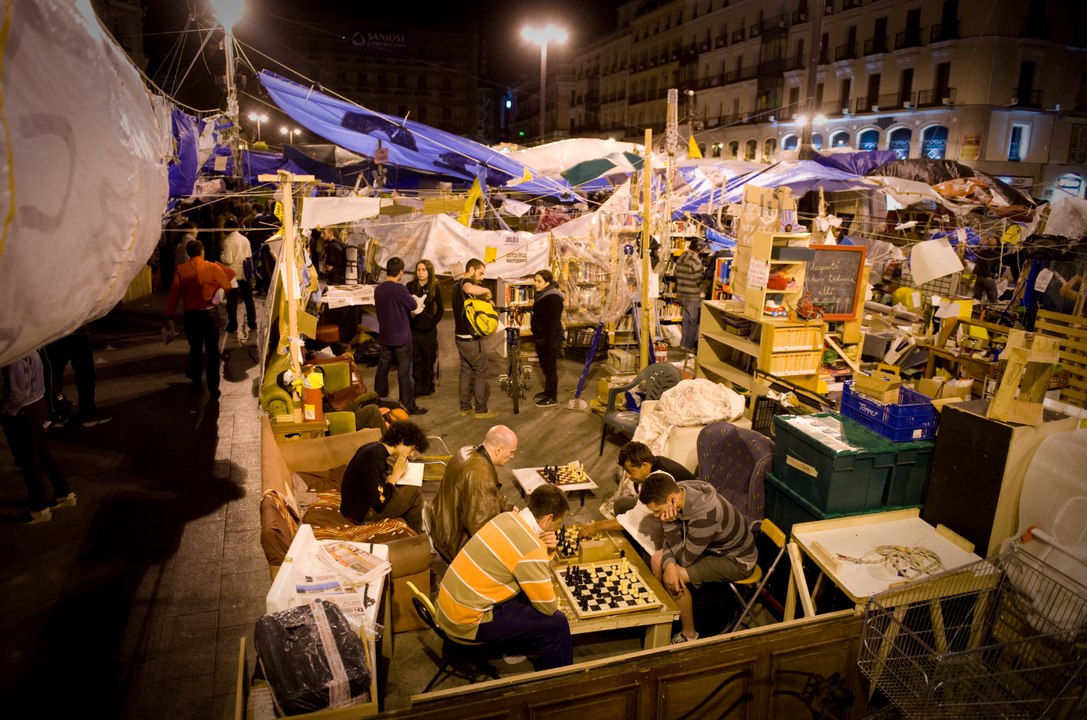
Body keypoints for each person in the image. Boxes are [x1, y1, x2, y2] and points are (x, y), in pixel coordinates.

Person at [436, 484, 572, 670]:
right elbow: (548, 607)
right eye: (558, 524)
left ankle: (516, 646)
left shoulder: (505, 517)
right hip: (466, 622)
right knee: (556, 623)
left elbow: (516, 557)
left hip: (445, 604)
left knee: (524, 593)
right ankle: (558, 681)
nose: (556, 529)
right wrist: (542, 550)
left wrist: (544, 549)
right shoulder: (531, 549)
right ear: (548, 519)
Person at [639, 472, 757, 643]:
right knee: (659, 560)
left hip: (736, 560)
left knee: (674, 577)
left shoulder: (705, 517)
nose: (657, 516)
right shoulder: (682, 491)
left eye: (657, 511)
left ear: (672, 499)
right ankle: (662, 613)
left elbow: (685, 559)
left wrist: (668, 526)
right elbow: (674, 541)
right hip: (711, 549)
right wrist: (670, 563)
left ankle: (689, 634)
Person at [1, 351, 76, 524]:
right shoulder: (30, 345)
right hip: (37, 406)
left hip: (23, 412)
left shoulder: (15, 355)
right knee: (42, 455)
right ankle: (64, 493)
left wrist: (6, 411)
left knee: (29, 462)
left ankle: (39, 509)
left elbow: (17, 394)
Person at [430, 425, 518, 561]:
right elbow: (482, 528)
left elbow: (492, 491)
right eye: (511, 452)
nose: (512, 456)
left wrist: (508, 507)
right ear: (498, 450)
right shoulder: (480, 475)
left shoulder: (468, 451)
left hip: (442, 525)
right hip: (455, 542)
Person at [579, 441, 695, 538]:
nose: (628, 476)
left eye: (630, 471)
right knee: (621, 503)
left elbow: (636, 517)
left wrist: (597, 527)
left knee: (645, 523)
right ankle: (630, 540)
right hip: (665, 508)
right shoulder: (652, 463)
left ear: (644, 465)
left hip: (686, 520)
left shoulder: (660, 476)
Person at [164, 238, 233, 399]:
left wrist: (168, 315)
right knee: (212, 351)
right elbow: (227, 286)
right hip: (209, 314)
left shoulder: (181, 270)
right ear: (202, 252)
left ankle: (196, 376)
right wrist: (219, 291)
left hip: (191, 316)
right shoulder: (212, 267)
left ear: (188, 254)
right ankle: (213, 387)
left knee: (194, 347)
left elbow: (173, 294)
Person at [340, 420, 429, 533]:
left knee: (407, 490)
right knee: (414, 490)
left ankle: (414, 533)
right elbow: (379, 502)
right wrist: (395, 476)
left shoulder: (374, 448)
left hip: (354, 507)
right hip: (361, 513)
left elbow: (371, 481)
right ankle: (417, 537)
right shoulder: (375, 458)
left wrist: (390, 478)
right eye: (412, 449)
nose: (411, 455)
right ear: (401, 441)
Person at [373, 256, 427, 415]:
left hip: (385, 336)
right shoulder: (400, 289)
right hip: (402, 338)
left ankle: (379, 400)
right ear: (401, 272)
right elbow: (413, 305)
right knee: (405, 374)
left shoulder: (379, 289)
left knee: (382, 369)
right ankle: (408, 406)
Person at [453, 258, 498, 419]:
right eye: (480, 273)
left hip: (459, 337)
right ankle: (481, 410)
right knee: (480, 371)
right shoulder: (465, 283)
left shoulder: (455, 286)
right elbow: (470, 287)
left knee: (466, 370)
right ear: (471, 270)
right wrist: (487, 292)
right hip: (471, 340)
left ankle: (465, 407)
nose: (482, 277)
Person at [41, 325, 110, 428]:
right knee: (85, 374)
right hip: (76, 332)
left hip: (54, 334)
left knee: (54, 374)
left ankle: (57, 414)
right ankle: (88, 414)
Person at [406, 259, 444, 397]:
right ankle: (417, 387)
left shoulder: (435, 287)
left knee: (428, 359)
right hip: (414, 330)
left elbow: (441, 309)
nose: (421, 272)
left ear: (429, 272)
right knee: (416, 360)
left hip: (429, 331)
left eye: (424, 270)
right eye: (418, 270)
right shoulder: (410, 286)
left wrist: (433, 323)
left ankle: (428, 386)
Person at [530, 270, 564, 408]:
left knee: (550, 368)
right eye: (535, 281)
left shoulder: (553, 297)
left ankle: (552, 396)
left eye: (539, 281)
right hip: (542, 338)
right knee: (545, 367)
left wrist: (549, 343)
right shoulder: (542, 295)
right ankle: (547, 391)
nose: (536, 284)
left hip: (550, 339)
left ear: (547, 282)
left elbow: (553, 323)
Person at [221, 219, 258, 335]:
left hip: (233, 274)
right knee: (248, 299)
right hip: (245, 273)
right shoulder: (245, 239)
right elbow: (249, 256)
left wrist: (221, 255)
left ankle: (232, 325)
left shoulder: (228, 241)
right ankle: (252, 323)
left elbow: (228, 259)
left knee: (232, 301)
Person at [674, 239, 705, 352]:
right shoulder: (696, 260)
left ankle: (683, 343)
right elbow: (698, 278)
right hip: (692, 294)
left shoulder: (681, 257)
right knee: (693, 321)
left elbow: (675, 273)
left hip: (682, 292)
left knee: (686, 320)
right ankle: (690, 345)